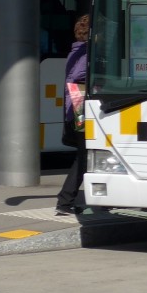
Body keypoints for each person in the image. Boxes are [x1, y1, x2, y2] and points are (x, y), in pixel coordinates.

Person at [55, 14, 90, 217]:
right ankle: (65, 201)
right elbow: (78, 77)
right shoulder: (84, 53)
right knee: (84, 156)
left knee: (85, 155)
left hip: (75, 107)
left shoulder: (76, 50)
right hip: (80, 108)